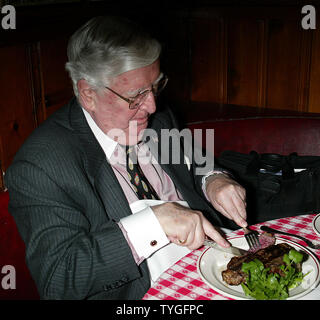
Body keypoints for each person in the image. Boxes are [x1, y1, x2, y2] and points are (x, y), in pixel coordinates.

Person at [5, 16, 247, 300]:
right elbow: (60, 279)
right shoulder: (41, 165)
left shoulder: (155, 116)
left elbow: (193, 161)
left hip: (212, 269)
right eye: (136, 95)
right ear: (88, 94)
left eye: (156, 86)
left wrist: (213, 179)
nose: (152, 105)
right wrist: (154, 223)